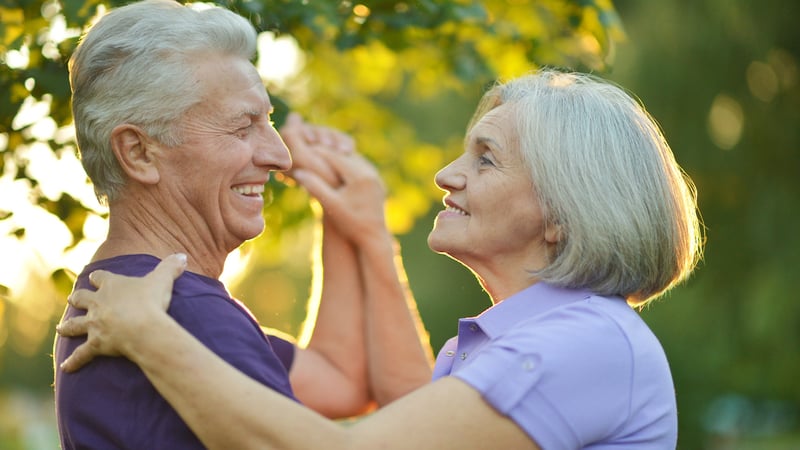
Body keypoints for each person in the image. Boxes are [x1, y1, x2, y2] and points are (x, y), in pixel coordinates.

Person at [58, 68, 704, 449]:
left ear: (563, 215)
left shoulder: (583, 345)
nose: (447, 176)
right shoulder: (515, 342)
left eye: (485, 158)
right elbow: (400, 407)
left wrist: (148, 335)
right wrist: (363, 230)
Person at [53, 0, 432, 448]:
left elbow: (341, 381)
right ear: (138, 152)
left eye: (268, 121)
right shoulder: (183, 311)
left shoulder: (132, 297)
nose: (281, 156)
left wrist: (350, 219)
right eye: (242, 127)